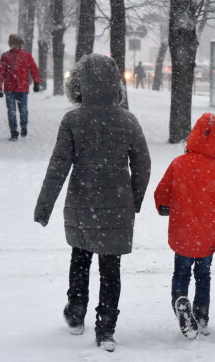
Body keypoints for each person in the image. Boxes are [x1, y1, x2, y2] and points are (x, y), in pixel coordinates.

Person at [33, 53, 151, 352]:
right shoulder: (127, 120)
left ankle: (75, 312)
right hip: (117, 204)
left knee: (80, 257)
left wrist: (45, 204)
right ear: (115, 85)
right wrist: (134, 200)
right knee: (111, 268)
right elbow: (143, 163)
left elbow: (59, 164)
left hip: (82, 203)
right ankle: (106, 328)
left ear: (80, 84)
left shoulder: (73, 120)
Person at [154, 113, 215, 340]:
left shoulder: (178, 164)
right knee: (203, 275)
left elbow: (162, 193)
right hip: (208, 233)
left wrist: (163, 206)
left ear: (195, 134)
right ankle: (201, 314)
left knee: (181, 272)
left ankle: (179, 300)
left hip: (182, 231)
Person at [0, 34, 40, 141]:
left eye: (18, 43)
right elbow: (0, 73)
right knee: (11, 111)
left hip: (23, 88)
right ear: (11, 44)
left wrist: (36, 83)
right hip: (10, 89)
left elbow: (34, 69)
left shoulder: (26, 55)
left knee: (23, 110)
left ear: (21, 44)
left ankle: (23, 126)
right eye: (14, 43)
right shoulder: (5, 56)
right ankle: (14, 132)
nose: (16, 46)